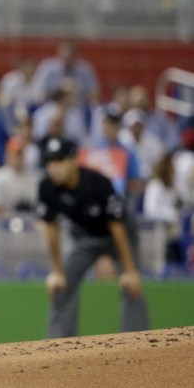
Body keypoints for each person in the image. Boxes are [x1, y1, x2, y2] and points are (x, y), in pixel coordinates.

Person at [36, 137, 149, 339]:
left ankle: (136, 342)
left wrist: (130, 270)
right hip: (85, 237)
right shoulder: (47, 187)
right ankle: (57, 346)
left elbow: (117, 227)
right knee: (62, 285)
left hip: (119, 235)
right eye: (50, 162)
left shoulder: (99, 183)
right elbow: (51, 232)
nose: (54, 167)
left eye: (59, 160)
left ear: (74, 160)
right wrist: (57, 271)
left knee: (131, 283)